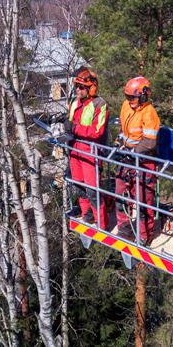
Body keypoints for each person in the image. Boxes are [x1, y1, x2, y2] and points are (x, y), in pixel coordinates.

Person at [115, 76, 160, 244]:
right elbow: (123, 129)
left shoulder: (149, 113)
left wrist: (133, 152)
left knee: (143, 199)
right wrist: (119, 144)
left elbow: (149, 141)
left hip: (143, 160)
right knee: (120, 194)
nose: (129, 101)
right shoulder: (126, 106)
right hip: (127, 156)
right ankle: (125, 229)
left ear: (143, 95)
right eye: (127, 97)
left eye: (132, 97)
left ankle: (143, 235)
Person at [64, 66, 109, 229]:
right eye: (77, 86)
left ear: (91, 87)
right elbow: (70, 123)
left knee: (92, 189)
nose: (78, 89)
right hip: (74, 149)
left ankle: (101, 223)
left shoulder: (99, 104)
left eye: (82, 87)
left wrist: (74, 128)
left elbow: (97, 131)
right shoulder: (74, 103)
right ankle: (87, 215)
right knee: (78, 185)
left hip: (90, 152)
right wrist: (66, 128)